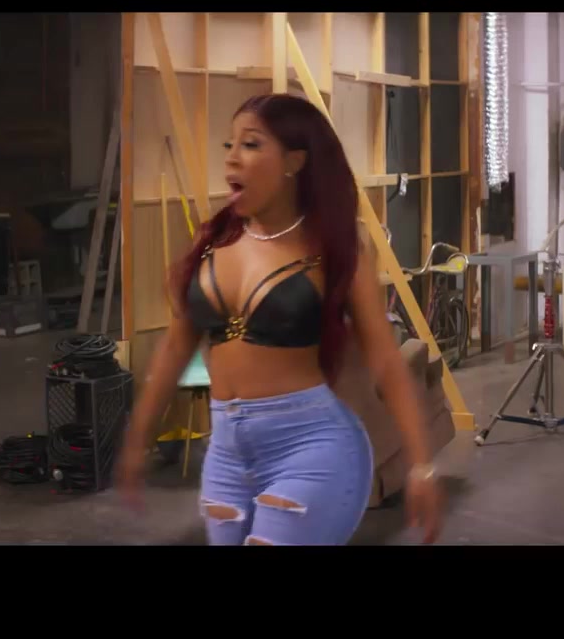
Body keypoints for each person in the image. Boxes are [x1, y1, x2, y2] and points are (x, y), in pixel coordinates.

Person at [114, 92, 444, 546]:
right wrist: (138, 439)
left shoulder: (335, 248)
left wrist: (422, 465)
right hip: (226, 455)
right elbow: (174, 349)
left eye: (251, 144)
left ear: (294, 161)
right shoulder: (212, 244)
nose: (232, 158)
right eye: (229, 145)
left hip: (311, 449)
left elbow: (386, 362)